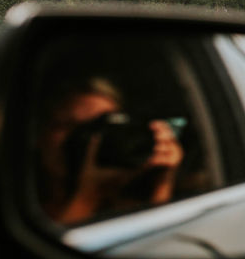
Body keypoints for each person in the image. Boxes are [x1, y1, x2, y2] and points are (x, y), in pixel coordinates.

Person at [37, 77, 184, 226]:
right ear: (39, 134)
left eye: (101, 126)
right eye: (69, 125)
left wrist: (161, 182)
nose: (88, 139)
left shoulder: (127, 203)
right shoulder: (24, 207)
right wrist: (89, 196)